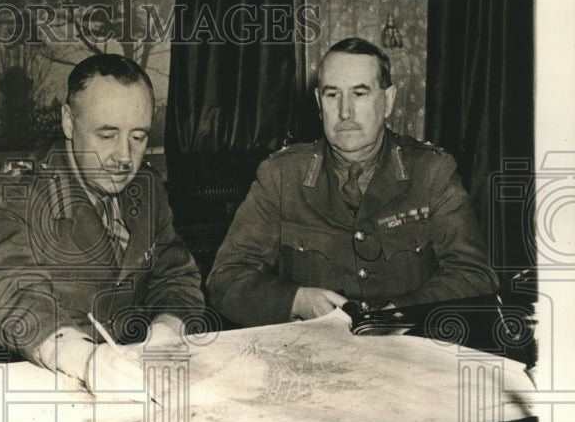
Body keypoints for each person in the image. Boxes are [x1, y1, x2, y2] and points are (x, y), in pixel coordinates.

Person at [0, 54, 205, 398]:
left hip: (119, 377)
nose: (124, 156)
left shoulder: (146, 191)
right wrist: (85, 359)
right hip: (12, 380)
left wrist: (165, 331)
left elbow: (175, 276)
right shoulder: (12, 192)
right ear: (68, 122)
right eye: (107, 135)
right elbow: (12, 296)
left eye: (138, 137)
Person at [207, 37, 498, 328]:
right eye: (333, 95)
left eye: (360, 94)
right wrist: (296, 302)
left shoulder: (431, 171)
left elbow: (474, 275)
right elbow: (226, 278)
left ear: (388, 100)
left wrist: (397, 314)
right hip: (313, 354)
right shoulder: (281, 175)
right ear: (319, 102)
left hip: (410, 350)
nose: (345, 112)